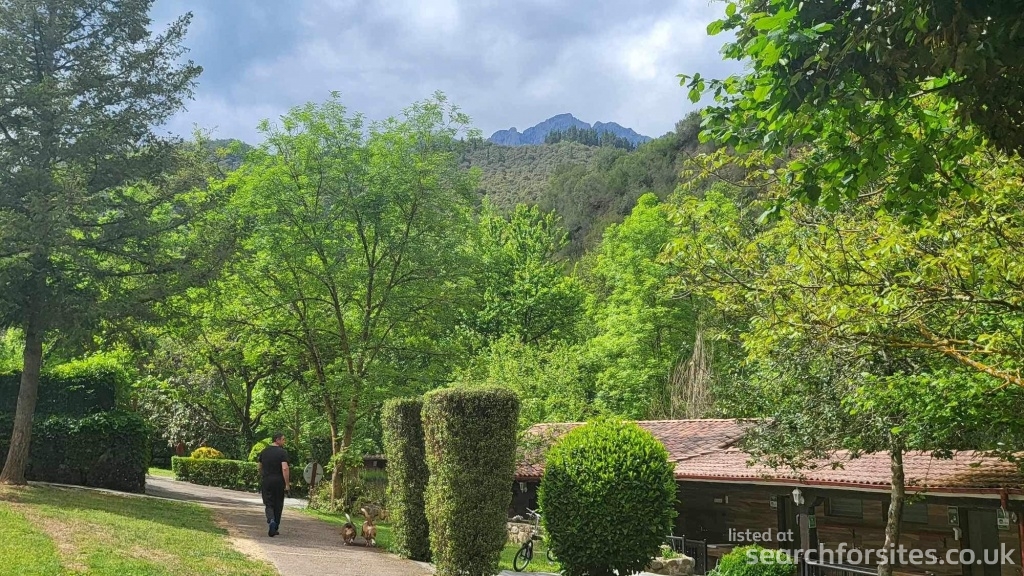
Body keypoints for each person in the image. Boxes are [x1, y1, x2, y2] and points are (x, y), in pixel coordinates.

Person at [257, 433, 290, 537]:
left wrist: (264, 475)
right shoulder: (282, 452)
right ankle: (275, 527)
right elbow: (285, 468)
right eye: (283, 439)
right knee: (278, 503)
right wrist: (287, 484)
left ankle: (271, 520)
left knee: (268, 503)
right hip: (279, 481)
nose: (284, 441)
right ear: (277, 440)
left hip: (267, 480)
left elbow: (259, 466)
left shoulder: (264, 451)